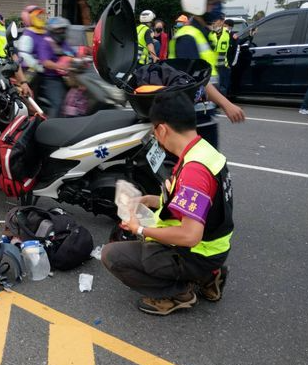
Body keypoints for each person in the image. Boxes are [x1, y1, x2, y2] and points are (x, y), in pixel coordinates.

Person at [101, 92, 233, 316]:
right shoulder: (203, 152)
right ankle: (209, 276)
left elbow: (190, 236)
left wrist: (140, 229)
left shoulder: (194, 171)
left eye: (154, 130)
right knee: (137, 234)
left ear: (162, 129)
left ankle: (178, 293)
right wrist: (148, 200)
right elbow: (194, 204)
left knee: (112, 256)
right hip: (213, 246)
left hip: (197, 251)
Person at [168, 0, 245, 149]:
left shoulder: (202, 33)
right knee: (200, 168)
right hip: (189, 119)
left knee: (208, 167)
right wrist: (226, 104)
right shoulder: (187, 37)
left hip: (203, 115)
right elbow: (197, 79)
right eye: (212, 3)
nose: (217, 8)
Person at [37, 17, 74, 118]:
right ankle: (52, 124)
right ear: (52, 31)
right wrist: (60, 66)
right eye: (59, 29)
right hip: (51, 79)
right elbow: (45, 62)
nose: (62, 32)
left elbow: (72, 54)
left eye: (63, 29)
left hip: (67, 77)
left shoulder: (63, 42)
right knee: (59, 103)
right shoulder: (45, 42)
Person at [208, 14, 231, 95]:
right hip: (211, 66)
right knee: (212, 87)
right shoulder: (208, 32)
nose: (214, 22)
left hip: (223, 65)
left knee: (223, 87)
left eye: (216, 20)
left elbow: (232, 48)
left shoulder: (228, 32)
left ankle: (221, 104)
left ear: (222, 21)